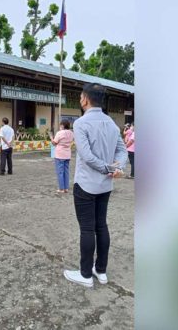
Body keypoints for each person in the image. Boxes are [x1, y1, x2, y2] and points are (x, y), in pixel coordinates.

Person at [63, 83, 128, 288]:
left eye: (81, 96)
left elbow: (87, 156)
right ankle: (101, 271)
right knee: (101, 226)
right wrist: (116, 167)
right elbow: (122, 150)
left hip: (86, 184)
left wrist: (108, 168)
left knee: (87, 229)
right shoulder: (110, 123)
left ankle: (85, 274)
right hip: (105, 186)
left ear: (85, 99)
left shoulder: (81, 123)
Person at [51, 119, 75, 193]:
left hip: (60, 154)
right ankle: (66, 188)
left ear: (62, 125)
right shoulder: (71, 133)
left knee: (60, 172)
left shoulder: (59, 133)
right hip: (67, 154)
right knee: (66, 172)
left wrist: (51, 138)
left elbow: (54, 143)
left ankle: (61, 188)